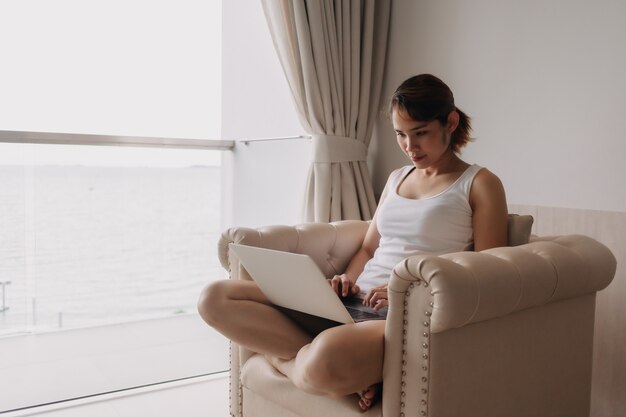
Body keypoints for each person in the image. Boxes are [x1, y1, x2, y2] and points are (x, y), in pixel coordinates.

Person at [197, 73, 508, 412]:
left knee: (325, 358)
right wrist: (347, 279)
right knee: (215, 297)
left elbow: (487, 274)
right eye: (401, 135)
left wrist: (405, 290)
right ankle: (345, 371)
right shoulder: (396, 179)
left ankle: (283, 359)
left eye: (420, 133)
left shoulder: (479, 183)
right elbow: (368, 249)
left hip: (398, 315)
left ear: (450, 122)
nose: (409, 147)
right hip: (351, 301)